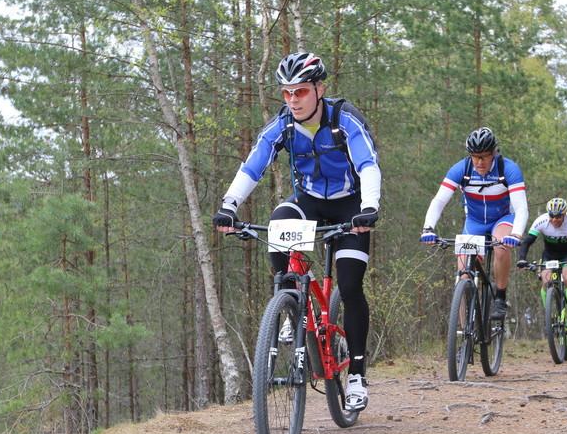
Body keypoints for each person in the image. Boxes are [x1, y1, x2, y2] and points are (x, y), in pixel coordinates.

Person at [212, 52, 380, 411]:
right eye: (287, 93)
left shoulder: (344, 120)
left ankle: (357, 376)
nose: (293, 100)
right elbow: (254, 164)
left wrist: (369, 208)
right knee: (278, 222)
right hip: (309, 201)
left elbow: (367, 164)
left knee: (350, 285)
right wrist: (229, 205)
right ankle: (293, 305)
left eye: (300, 92)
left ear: (319, 89)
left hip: (351, 206)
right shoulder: (283, 125)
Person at [420, 127, 529, 320]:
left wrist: (516, 234)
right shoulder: (462, 169)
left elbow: (521, 207)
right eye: (475, 157)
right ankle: (464, 339)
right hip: (475, 221)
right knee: (463, 275)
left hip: (502, 218)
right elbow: (439, 201)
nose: (479, 162)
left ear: (494, 153)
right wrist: (428, 228)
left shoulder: (508, 169)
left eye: (484, 157)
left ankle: (500, 298)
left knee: (501, 246)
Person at [516, 197, 567, 345]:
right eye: (551, 216)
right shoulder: (541, 221)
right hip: (549, 256)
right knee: (546, 282)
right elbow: (527, 241)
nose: (554, 220)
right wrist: (522, 259)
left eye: (558, 216)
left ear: (564, 214)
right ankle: (550, 315)